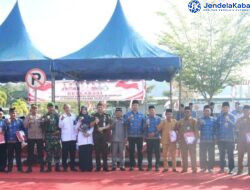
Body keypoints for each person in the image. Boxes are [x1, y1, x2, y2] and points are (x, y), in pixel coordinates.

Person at [176, 106, 198, 173]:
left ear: (190, 113)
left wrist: (196, 139)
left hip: (191, 139)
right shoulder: (180, 121)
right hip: (183, 140)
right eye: (185, 112)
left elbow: (196, 131)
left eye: (188, 112)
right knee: (184, 155)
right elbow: (176, 129)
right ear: (183, 113)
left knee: (193, 155)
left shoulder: (194, 121)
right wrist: (178, 137)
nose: (187, 113)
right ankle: (184, 168)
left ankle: (194, 168)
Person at [125, 100, 145, 171]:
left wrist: (144, 135)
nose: (135, 107)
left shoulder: (142, 115)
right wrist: (128, 119)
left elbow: (144, 125)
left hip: (139, 136)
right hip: (131, 136)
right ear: (131, 106)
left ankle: (140, 165)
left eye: (136, 105)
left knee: (140, 151)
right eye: (133, 105)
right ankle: (132, 165)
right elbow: (124, 123)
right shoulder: (128, 114)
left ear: (138, 106)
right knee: (131, 151)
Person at [216, 102, 236, 174]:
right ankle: (222, 168)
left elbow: (235, 126)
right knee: (221, 154)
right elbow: (217, 128)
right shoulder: (219, 117)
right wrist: (217, 138)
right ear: (222, 108)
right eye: (224, 107)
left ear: (229, 108)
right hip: (221, 139)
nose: (225, 109)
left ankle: (231, 169)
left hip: (230, 139)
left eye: (227, 108)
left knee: (230, 154)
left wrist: (229, 120)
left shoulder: (232, 116)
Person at [24, 104, 44, 173]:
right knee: (30, 152)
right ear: (31, 109)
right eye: (33, 108)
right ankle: (29, 168)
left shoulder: (41, 116)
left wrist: (43, 122)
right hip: (31, 137)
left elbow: (44, 126)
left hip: (39, 136)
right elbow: (25, 126)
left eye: (36, 108)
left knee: (40, 152)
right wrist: (29, 122)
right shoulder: (28, 116)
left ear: (37, 109)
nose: (35, 110)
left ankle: (42, 168)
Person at [91, 102, 111, 172]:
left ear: (103, 107)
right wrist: (94, 122)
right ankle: (98, 167)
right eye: (98, 107)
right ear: (97, 108)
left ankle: (105, 167)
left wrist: (103, 128)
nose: (100, 108)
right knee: (97, 152)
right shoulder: (93, 115)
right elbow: (90, 125)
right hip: (96, 136)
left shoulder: (107, 115)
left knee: (105, 152)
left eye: (101, 107)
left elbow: (109, 125)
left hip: (104, 136)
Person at [41, 103, 61, 172]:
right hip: (48, 136)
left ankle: (57, 167)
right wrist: (45, 121)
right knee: (48, 152)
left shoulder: (57, 116)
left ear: (54, 108)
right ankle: (49, 167)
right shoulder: (45, 116)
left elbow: (61, 125)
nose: (51, 108)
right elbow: (42, 126)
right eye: (49, 107)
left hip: (56, 136)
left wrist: (58, 131)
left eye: (52, 107)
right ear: (47, 108)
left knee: (57, 152)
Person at [4, 107, 25, 172]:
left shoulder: (20, 121)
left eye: (14, 113)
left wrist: (22, 137)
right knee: (10, 155)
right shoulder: (6, 121)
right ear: (9, 113)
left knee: (18, 155)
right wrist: (7, 124)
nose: (13, 114)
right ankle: (9, 168)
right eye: (12, 113)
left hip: (17, 141)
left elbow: (23, 130)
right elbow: (3, 131)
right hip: (9, 141)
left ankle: (20, 168)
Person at [59, 104, 77, 172]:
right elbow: (60, 126)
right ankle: (65, 167)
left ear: (70, 108)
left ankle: (72, 166)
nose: (67, 109)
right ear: (64, 109)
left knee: (73, 153)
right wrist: (61, 120)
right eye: (66, 108)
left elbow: (76, 125)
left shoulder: (74, 116)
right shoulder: (62, 116)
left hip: (73, 137)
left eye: (69, 108)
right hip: (65, 138)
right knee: (65, 153)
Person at [198, 105, 216, 173]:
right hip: (203, 139)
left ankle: (210, 168)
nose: (206, 112)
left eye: (208, 111)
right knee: (202, 154)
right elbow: (197, 129)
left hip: (211, 140)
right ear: (203, 111)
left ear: (210, 112)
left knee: (211, 154)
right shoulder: (200, 119)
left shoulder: (214, 119)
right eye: (205, 111)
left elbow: (215, 129)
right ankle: (203, 168)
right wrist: (200, 124)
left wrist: (215, 138)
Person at [76, 106, 94, 172]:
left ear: (86, 110)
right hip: (81, 137)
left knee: (88, 153)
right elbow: (76, 128)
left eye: (85, 109)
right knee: (82, 153)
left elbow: (92, 126)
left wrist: (88, 133)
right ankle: (82, 167)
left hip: (88, 137)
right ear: (81, 110)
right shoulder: (78, 117)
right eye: (82, 109)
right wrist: (79, 121)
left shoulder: (90, 117)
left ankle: (89, 167)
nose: (84, 111)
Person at [144, 105, 161, 171]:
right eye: (150, 111)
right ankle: (150, 166)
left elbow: (160, 128)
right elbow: (144, 128)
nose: (151, 112)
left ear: (155, 111)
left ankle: (157, 166)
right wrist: (147, 133)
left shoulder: (159, 119)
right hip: (149, 139)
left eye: (153, 110)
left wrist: (154, 133)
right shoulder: (146, 119)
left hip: (156, 138)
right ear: (148, 111)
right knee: (149, 153)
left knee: (157, 153)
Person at [236, 105, 250, 175]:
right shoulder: (239, 119)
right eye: (244, 111)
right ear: (243, 111)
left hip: (249, 139)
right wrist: (242, 123)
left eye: (247, 111)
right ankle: (239, 170)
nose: (246, 112)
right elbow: (236, 127)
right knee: (240, 155)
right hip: (241, 139)